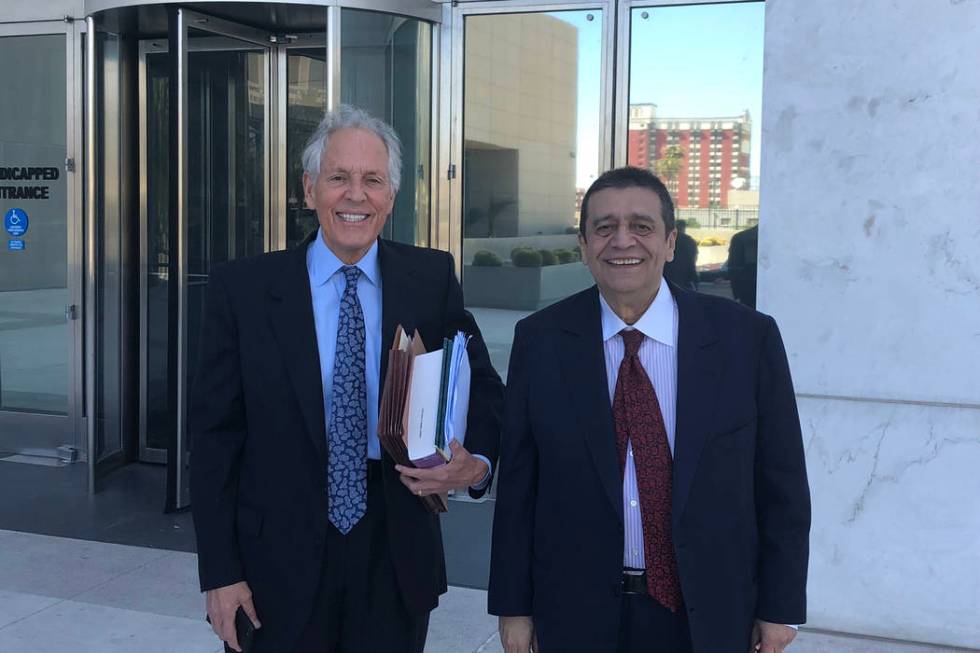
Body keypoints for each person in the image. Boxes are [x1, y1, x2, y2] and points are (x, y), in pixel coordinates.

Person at [190, 105, 504, 653]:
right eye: (339, 178)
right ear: (309, 189)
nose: (355, 195)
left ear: (391, 196)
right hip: (273, 564)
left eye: (372, 181)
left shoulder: (429, 279)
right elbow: (215, 440)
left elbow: (486, 394)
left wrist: (473, 465)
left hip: (395, 553)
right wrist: (220, 572)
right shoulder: (241, 290)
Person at [488, 167, 810, 653]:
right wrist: (514, 607)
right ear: (583, 244)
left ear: (671, 242)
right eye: (604, 227)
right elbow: (519, 486)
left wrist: (781, 605)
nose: (622, 241)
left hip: (708, 612)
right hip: (576, 613)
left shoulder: (746, 339)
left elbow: (782, 482)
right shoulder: (540, 341)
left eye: (641, 226)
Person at [728, 224, 759, 308]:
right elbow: (733, 268)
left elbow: (733, 268)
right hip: (749, 288)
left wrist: (737, 294)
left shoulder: (741, 237)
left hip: (747, 289)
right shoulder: (742, 238)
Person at [663, 219, 698, 291]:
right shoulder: (689, 240)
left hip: (668, 274)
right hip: (685, 277)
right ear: (684, 228)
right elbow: (694, 258)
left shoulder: (668, 239)